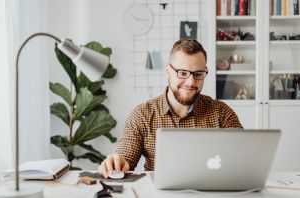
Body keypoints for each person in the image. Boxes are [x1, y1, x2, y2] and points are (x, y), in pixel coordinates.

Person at [98, 39, 243, 178]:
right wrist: (117, 163)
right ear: (168, 71)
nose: (191, 82)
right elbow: (126, 158)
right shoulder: (142, 114)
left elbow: (244, 158)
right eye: (183, 73)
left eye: (198, 74)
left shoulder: (222, 113)